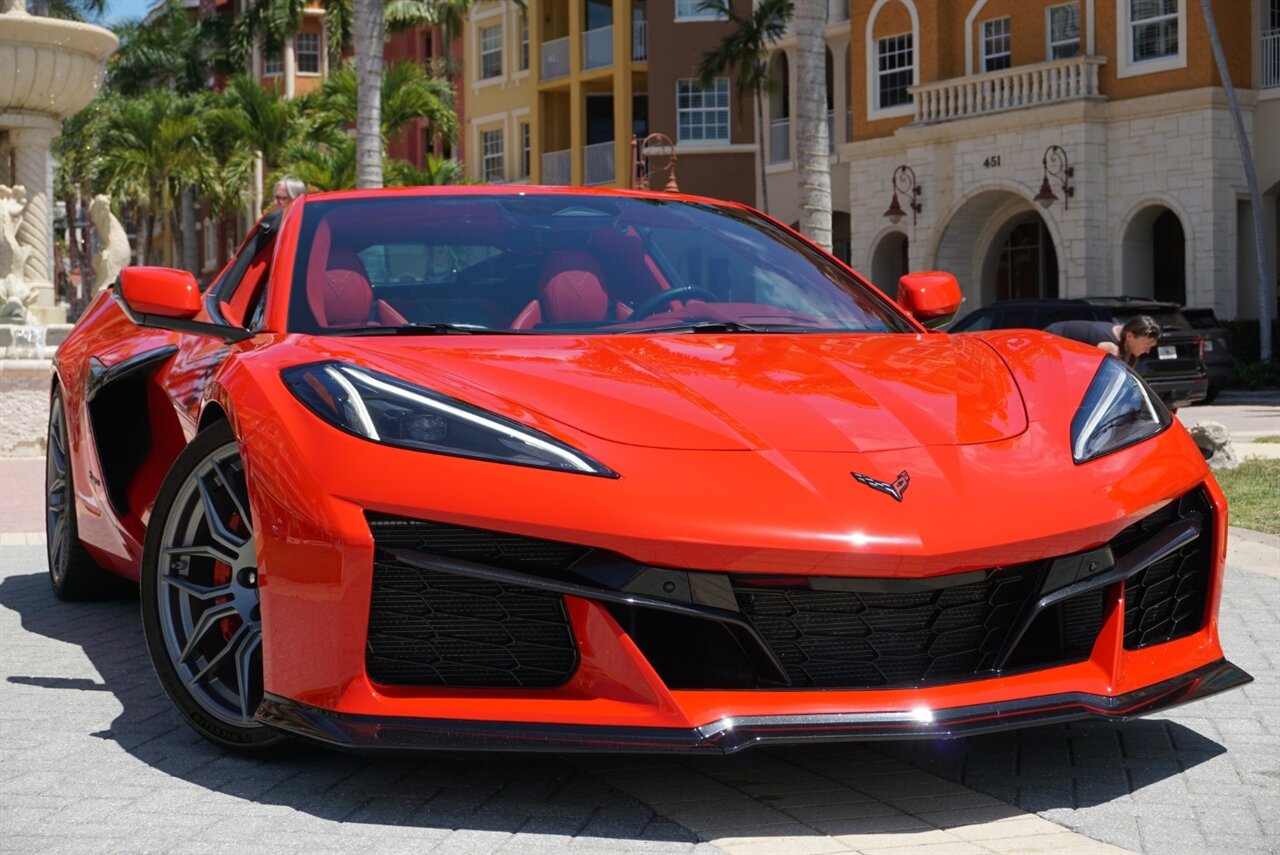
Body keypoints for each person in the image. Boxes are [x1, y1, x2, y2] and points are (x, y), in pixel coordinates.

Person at [1044, 314, 1162, 366]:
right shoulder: (1110, 347)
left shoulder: (1124, 337)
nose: (1147, 351)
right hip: (1049, 341)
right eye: (1146, 345)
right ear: (1130, 336)